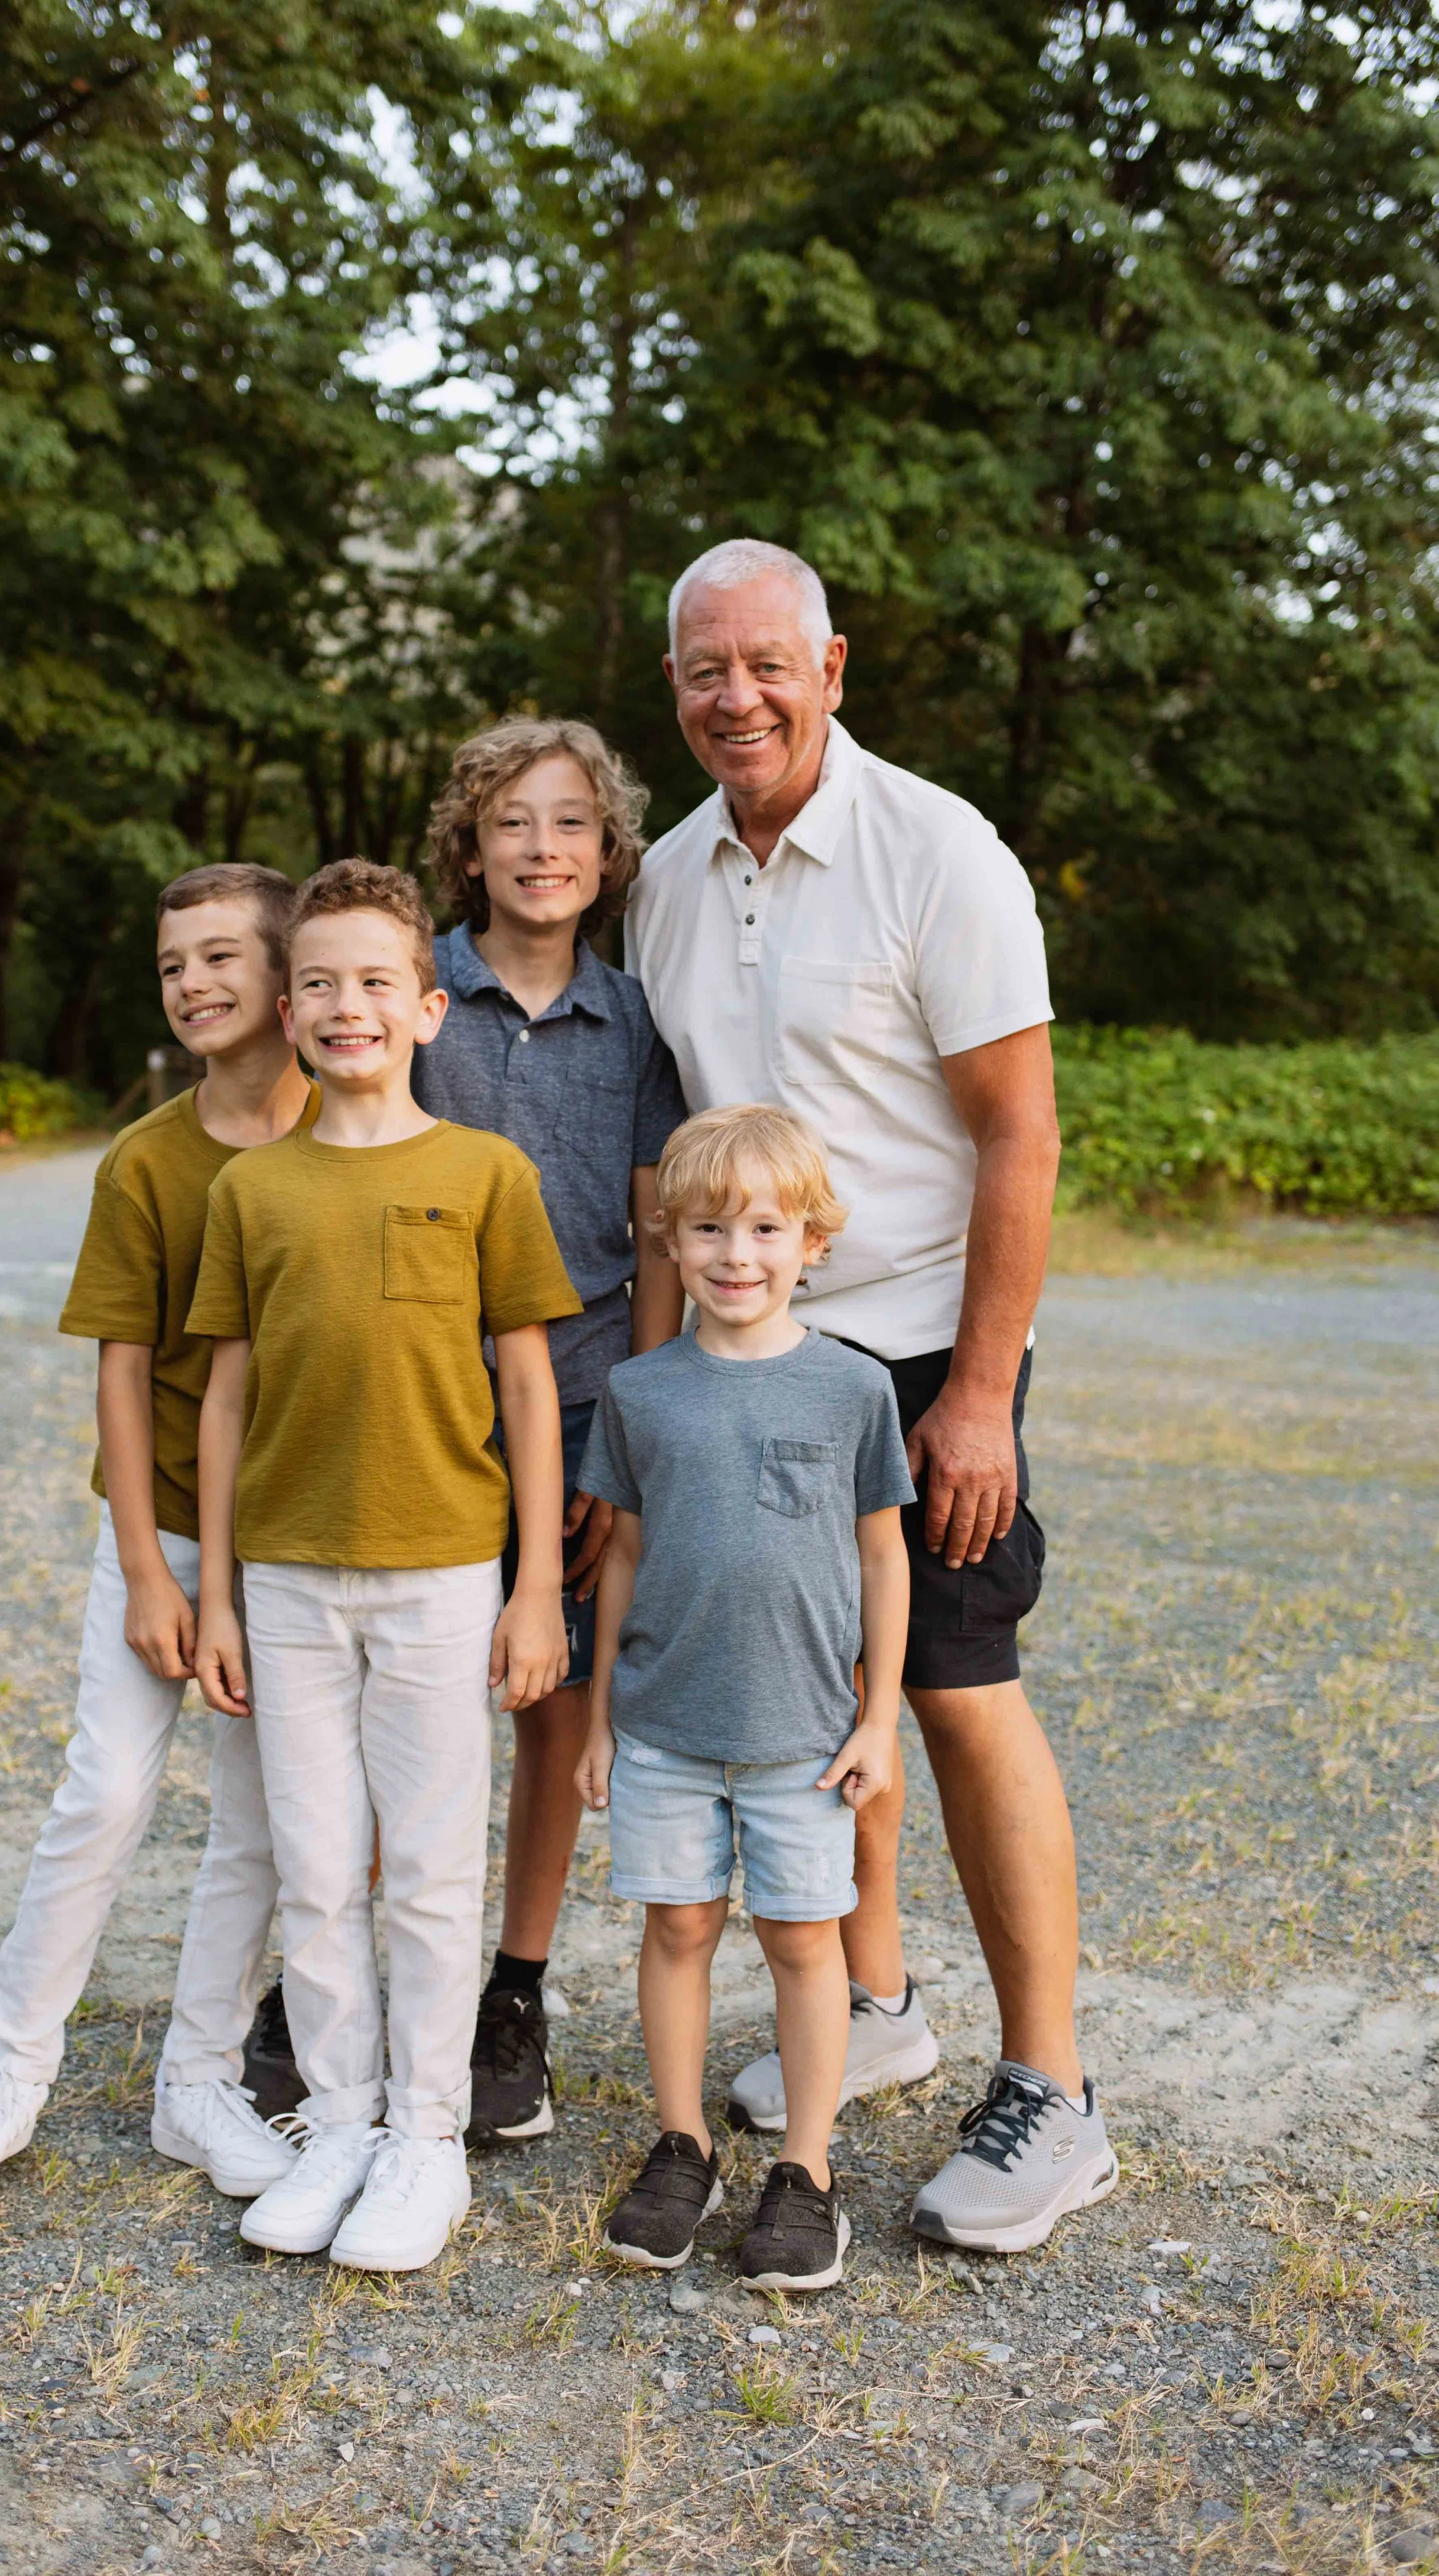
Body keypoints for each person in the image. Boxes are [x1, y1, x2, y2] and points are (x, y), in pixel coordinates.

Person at [625, 536, 1118, 2255]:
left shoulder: (936, 852)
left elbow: (1019, 1132)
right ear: (673, 685)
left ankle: (1051, 2092)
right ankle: (880, 1998)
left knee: (960, 1680)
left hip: (911, 1344)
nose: (734, 696)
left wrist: (977, 1392)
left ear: (831, 667)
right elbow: (674, 1155)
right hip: (741, 1348)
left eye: (765, 664)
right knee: (823, 1678)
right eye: (702, 670)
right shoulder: (670, 873)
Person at [189, 859, 582, 2272]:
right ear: (286, 1010)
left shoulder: (483, 1175)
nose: (344, 1006)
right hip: (287, 1582)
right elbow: (225, 1396)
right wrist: (219, 1595)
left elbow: (529, 1391)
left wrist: (537, 1585)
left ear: (428, 1009)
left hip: (440, 1576)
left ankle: (425, 2141)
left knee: (421, 1872)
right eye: (318, 984)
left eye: (374, 983)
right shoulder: (253, 1188)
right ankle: (343, 2123)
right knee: (314, 1869)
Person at [0, 863, 315, 2203]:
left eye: (218, 958)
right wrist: (147, 1570)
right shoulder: (148, 1159)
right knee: (106, 1794)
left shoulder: (353, 1137)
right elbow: (122, 1376)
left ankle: (196, 2087)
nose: (192, 983)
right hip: (172, 1536)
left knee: (258, 1822)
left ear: (284, 972)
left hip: (303, 1549)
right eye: (169, 965)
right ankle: (7, 2076)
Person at [576, 1106, 912, 2290]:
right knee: (677, 1928)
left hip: (804, 1738)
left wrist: (879, 1717)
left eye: (766, 1227)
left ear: (811, 1241)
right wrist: (605, 1716)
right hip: (665, 1725)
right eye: (709, 1226)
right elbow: (620, 1552)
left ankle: (808, 2172)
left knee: (803, 1942)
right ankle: (684, 2145)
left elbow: (883, 1556)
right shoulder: (641, 1390)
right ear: (669, 1241)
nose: (736, 1253)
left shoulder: (853, 1391)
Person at [410, 717, 685, 2147]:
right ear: (469, 849)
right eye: (511, 822)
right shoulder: (417, 1001)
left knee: (552, 1695)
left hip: (574, 1399)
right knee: (403, 1693)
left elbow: (652, 1242)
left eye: (569, 822)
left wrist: (619, 1451)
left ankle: (510, 1987)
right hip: (417, 1394)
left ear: (606, 854)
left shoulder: (633, 1022)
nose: (540, 848)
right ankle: (351, 1975)